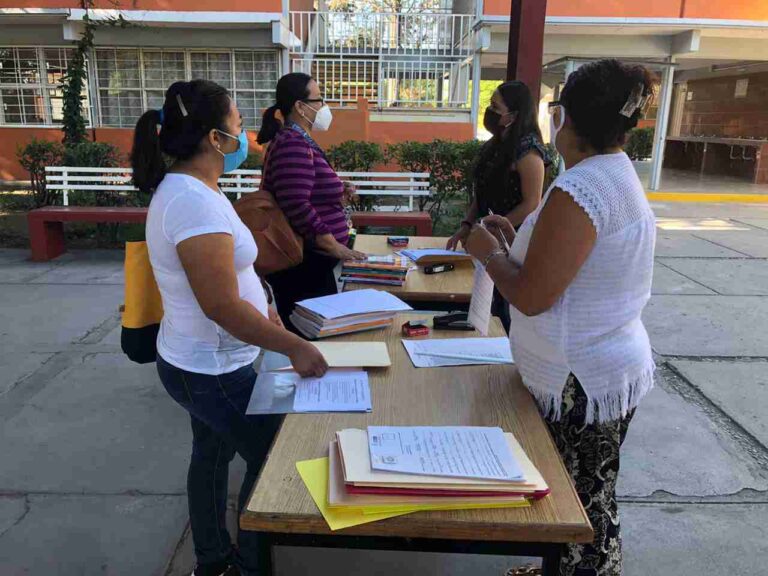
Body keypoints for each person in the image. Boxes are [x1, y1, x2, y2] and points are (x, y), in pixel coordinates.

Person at [465, 60, 657, 576]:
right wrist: (511, 245)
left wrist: (487, 253)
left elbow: (532, 295)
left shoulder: (583, 189)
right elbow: (563, 267)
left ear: (565, 115)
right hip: (599, 367)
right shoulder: (608, 175)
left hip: (584, 379)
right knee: (582, 491)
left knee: (581, 506)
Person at [131, 79, 329, 576]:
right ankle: (245, 565)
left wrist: (267, 308)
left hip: (210, 360)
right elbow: (219, 304)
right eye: (238, 124)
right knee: (270, 465)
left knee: (213, 456)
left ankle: (214, 560)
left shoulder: (201, 190)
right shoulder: (190, 202)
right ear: (214, 139)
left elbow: (236, 273)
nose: (247, 135)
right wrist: (294, 347)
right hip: (209, 368)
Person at [257, 73, 365, 333]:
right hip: (303, 267)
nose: (323, 107)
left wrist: (339, 189)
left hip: (313, 264)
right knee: (312, 342)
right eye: (319, 100)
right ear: (300, 106)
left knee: (321, 338)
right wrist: (333, 245)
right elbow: (296, 204)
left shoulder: (299, 140)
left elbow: (306, 187)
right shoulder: (291, 144)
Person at [447, 80, 548, 332]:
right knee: (483, 304)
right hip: (484, 239)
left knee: (505, 309)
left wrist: (498, 228)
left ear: (514, 115)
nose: (490, 111)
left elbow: (532, 202)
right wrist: (467, 225)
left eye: (495, 106)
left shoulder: (529, 151)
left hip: (512, 242)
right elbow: (481, 195)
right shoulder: (494, 146)